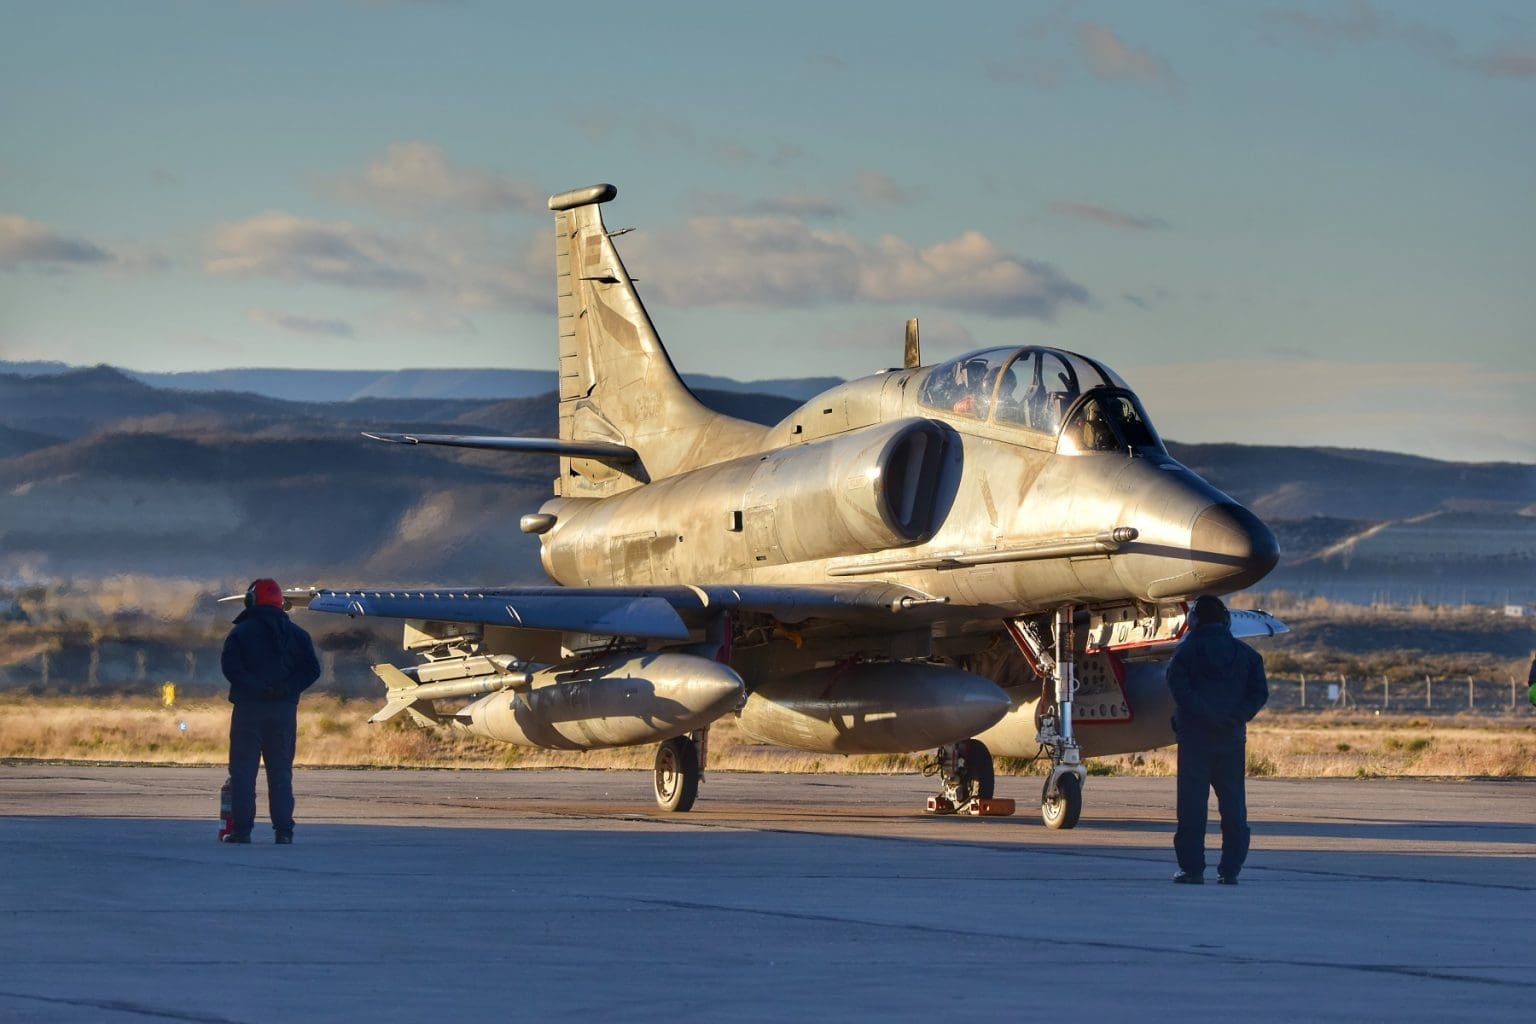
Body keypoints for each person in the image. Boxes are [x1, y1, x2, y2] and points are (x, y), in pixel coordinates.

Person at [1167, 594, 1269, 885]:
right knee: (1234, 806)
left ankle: (1192, 869)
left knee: (1192, 806)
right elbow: (1258, 694)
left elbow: (1178, 689)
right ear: (1225, 620)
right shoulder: (1248, 655)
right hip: (1231, 739)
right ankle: (1230, 870)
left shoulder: (1184, 654)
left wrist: (1206, 714)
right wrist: (1234, 717)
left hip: (1195, 739)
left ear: (1194, 621)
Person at [220, 578, 320, 844]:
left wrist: (257, 689)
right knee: (281, 772)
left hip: (248, 712)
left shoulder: (240, 633)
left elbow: (231, 668)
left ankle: (241, 831)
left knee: (242, 772)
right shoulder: (299, 635)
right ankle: (284, 831)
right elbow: (312, 670)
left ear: (251, 601)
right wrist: (285, 690)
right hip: (283, 713)